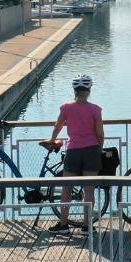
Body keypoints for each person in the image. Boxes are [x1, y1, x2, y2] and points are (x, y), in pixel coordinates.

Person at [43, 74, 104, 233]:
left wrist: (52, 139)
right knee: (89, 190)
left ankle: (63, 225)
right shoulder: (95, 109)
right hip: (91, 150)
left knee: (67, 188)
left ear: (74, 90)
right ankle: (87, 226)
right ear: (89, 90)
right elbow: (100, 133)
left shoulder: (66, 107)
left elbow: (58, 126)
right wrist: (100, 148)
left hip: (73, 150)